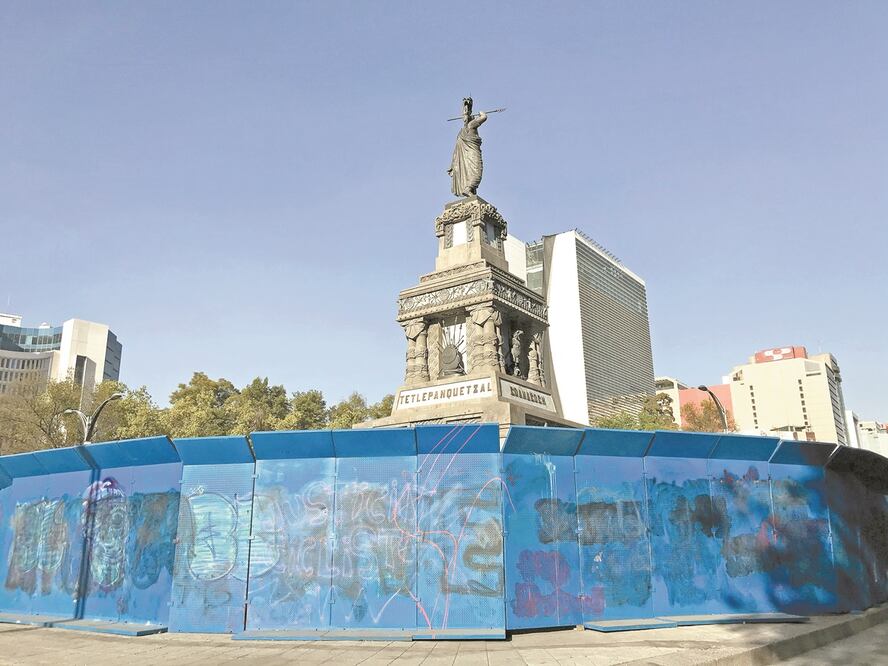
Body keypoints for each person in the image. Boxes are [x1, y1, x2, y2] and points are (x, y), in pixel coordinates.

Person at [448, 97, 487, 197]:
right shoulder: (471, 126)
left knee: (473, 170)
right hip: (472, 152)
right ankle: (468, 188)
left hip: (471, 152)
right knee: (477, 171)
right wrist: (482, 113)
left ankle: (470, 188)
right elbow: (484, 117)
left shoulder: (464, 132)